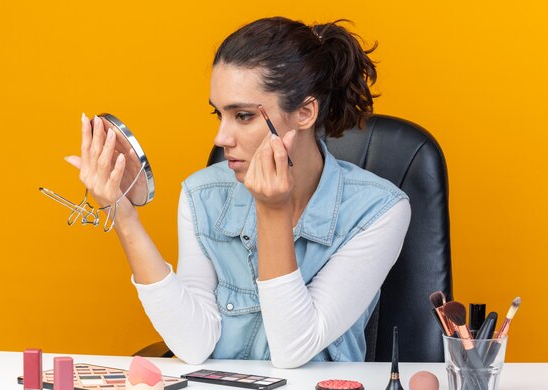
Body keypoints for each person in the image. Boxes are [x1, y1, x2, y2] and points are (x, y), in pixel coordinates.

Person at [66, 17, 410, 368]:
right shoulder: (203, 196)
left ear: (305, 112)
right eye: (219, 114)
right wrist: (124, 218)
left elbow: (293, 350)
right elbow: (193, 344)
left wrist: (272, 210)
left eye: (243, 116)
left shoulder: (379, 211)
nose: (221, 138)